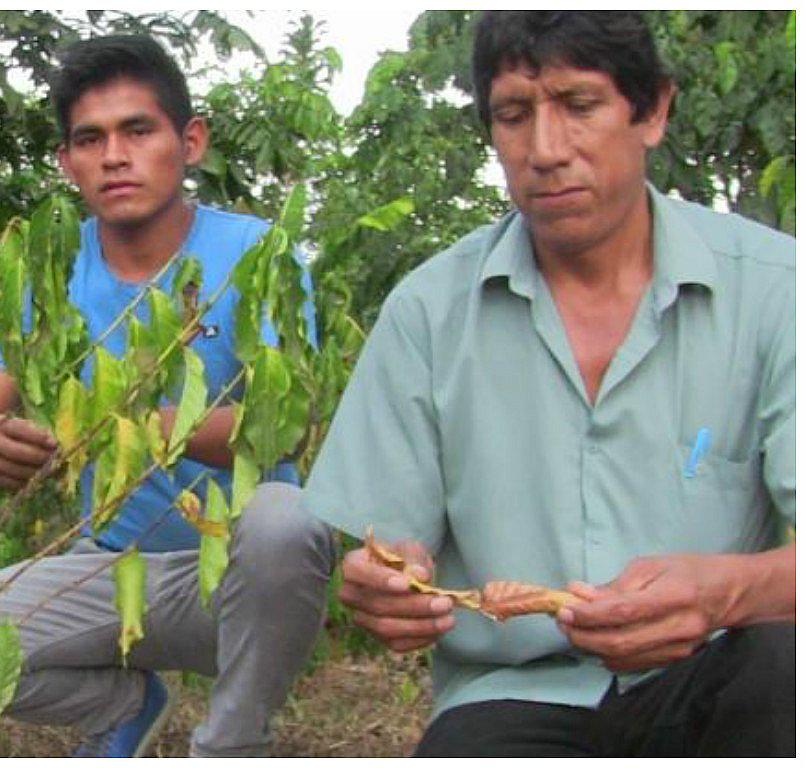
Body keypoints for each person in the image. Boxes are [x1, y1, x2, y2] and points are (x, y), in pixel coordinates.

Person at [303, 11, 794, 757]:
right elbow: (388, 551)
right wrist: (383, 584)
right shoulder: (428, 313)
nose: (545, 150)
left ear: (653, 110)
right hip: (515, 695)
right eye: (514, 115)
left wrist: (724, 593)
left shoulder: (777, 292)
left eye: (580, 105)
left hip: (719, 676)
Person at [0, 35, 334, 758]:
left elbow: (281, 430)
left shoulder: (258, 255)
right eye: (90, 138)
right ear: (67, 162)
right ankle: (124, 709)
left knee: (286, 519)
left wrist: (125, 424)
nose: (114, 155)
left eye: (138, 130)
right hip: (113, 564)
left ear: (189, 142)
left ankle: (231, 743)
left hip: (238, 574)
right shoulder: (49, 266)